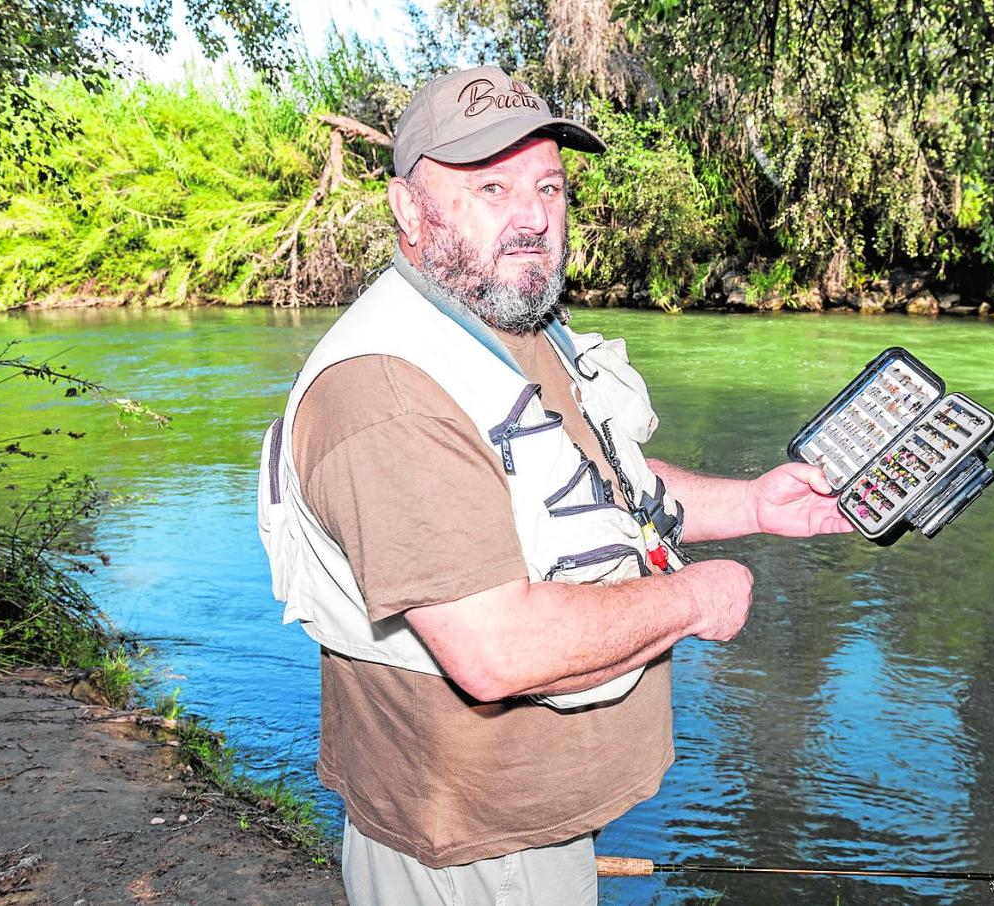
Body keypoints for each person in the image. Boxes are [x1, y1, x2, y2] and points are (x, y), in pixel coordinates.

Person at [257, 64, 853, 906]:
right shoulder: (384, 396)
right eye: (491, 187)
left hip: (529, 830)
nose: (535, 215)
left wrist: (757, 504)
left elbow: (601, 491)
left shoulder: (502, 319)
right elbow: (498, 649)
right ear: (406, 209)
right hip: (466, 850)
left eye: (549, 185)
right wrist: (695, 601)